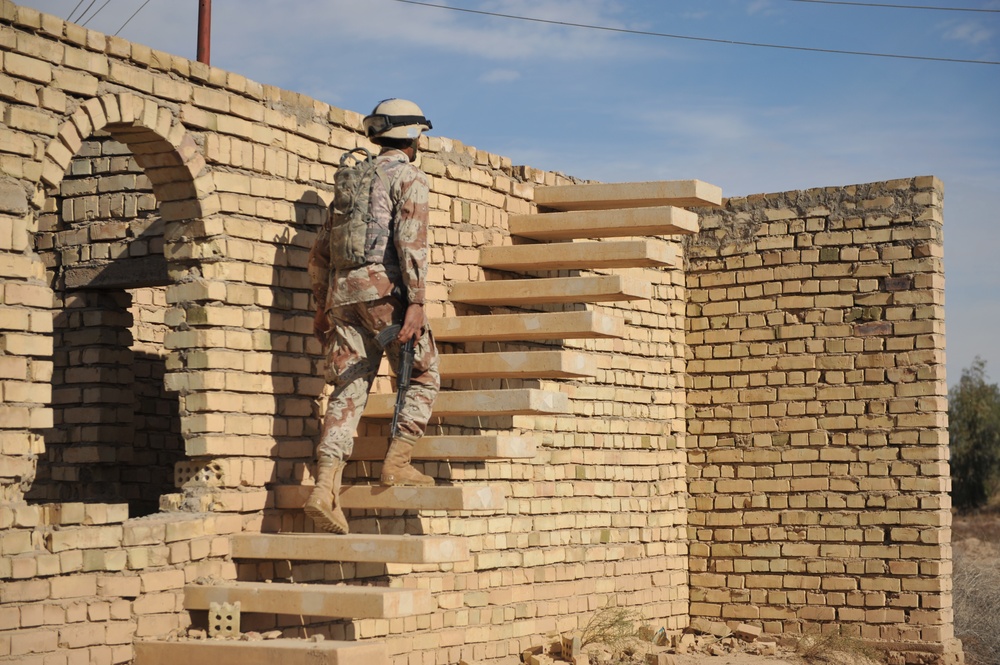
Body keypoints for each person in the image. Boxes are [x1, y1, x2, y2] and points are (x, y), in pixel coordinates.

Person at [304, 98, 440, 534]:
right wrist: (416, 302)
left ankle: (324, 488)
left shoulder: (353, 178)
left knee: (349, 387)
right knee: (422, 374)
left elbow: (319, 254)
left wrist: (321, 305)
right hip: (385, 296)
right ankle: (397, 464)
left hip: (341, 297)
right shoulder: (408, 176)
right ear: (413, 137)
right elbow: (411, 241)